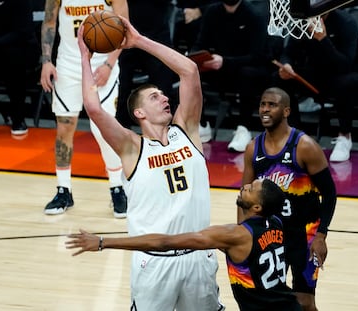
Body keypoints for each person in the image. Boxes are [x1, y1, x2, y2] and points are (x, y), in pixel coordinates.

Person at [77, 15, 224, 310]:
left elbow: (190, 71)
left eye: (163, 94)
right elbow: (93, 108)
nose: (164, 98)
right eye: (155, 97)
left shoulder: (187, 131)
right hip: (155, 265)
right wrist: (85, 55)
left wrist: (138, 41)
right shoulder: (132, 147)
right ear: (140, 114)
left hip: (199, 257)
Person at [66, 178, 302, 311]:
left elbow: (165, 242)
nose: (245, 185)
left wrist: (103, 242)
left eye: (251, 189)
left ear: (258, 208)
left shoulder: (235, 235)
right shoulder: (276, 223)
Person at [241, 87, 337, 311]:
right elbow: (244, 198)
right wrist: (243, 234)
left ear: (286, 111)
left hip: (305, 235)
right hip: (271, 236)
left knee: (304, 302)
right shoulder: (253, 148)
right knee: (270, 300)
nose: (265, 109)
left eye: (271, 105)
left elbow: (330, 194)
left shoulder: (305, 146)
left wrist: (322, 235)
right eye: (262, 104)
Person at [39, 0, 128, 217]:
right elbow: (49, 22)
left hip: (102, 65)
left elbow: (124, 28)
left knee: (103, 129)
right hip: (68, 65)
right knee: (65, 127)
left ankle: (117, 187)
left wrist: (108, 64)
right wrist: (46, 61)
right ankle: (64, 190)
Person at [275, 9, 358, 162]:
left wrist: (323, 40)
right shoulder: (302, 21)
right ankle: (297, 137)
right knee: (280, 78)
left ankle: (344, 136)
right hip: (321, 75)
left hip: (354, 74)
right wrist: (286, 65)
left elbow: (345, 65)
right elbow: (288, 52)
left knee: (344, 82)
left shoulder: (346, 23)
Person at [191, 0, 270, 150]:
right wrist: (193, 56)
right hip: (220, 66)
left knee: (247, 74)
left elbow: (259, 56)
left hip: (250, 68)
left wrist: (225, 61)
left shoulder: (254, 15)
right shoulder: (212, 12)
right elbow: (200, 43)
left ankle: (244, 129)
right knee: (191, 72)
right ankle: (201, 124)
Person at [0, 0, 40, 135]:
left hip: (21, 50)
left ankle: (18, 119)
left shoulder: (21, 2)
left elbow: (22, 33)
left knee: (13, 59)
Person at [116, 0, 176, 129]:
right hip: (124, 35)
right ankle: (121, 136)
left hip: (156, 34)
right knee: (120, 90)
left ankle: (167, 135)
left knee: (163, 89)